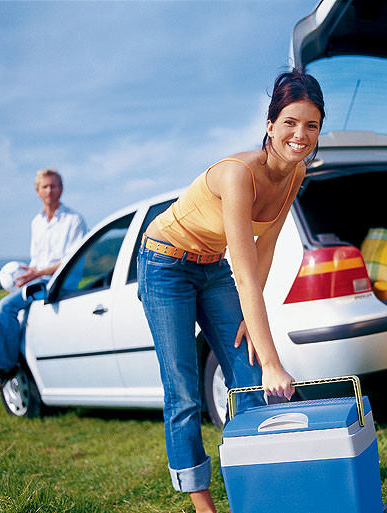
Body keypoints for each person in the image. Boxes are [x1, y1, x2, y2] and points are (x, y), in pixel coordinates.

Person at [136, 69, 324, 513]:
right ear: (270, 126)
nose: (300, 135)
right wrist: (275, 361)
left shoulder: (295, 173)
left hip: (211, 266)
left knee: (248, 371)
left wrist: (252, 326)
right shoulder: (239, 175)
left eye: (311, 125)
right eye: (290, 122)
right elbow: (243, 274)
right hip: (164, 264)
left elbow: (267, 244)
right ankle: (203, 504)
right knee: (183, 389)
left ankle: (256, 485)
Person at [0, 169, 86, 398]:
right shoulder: (37, 222)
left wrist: (39, 272)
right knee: (3, 312)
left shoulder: (74, 220)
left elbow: (71, 260)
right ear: (37, 191)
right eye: (45, 186)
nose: (50, 190)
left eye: (54, 185)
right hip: (38, 280)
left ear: (61, 188)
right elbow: (36, 260)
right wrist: (26, 275)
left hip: (57, 282)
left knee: (2, 310)